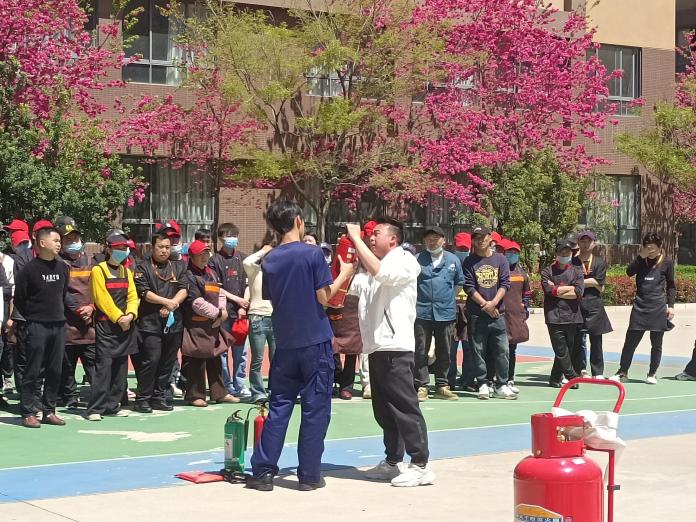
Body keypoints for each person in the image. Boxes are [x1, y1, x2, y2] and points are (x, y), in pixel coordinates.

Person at [247, 200, 354, 492]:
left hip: (285, 341)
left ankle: (263, 472)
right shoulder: (313, 254)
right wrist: (344, 273)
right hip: (315, 341)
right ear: (297, 221)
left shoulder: (270, 260)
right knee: (315, 410)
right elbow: (324, 297)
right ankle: (308, 475)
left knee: (279, 406)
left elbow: (272, 297)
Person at [345, 218, 435, 487]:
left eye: (377, 234)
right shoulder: (375, 268)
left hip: (396, 347)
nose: (371, 238)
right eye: (369, 235)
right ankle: (393, 460)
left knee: (405, 407)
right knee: (384, 410)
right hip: (376, 347)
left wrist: (357, 240)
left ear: (393, 239)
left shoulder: (404, 260)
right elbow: (353, 288)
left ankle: (420, 464)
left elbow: (383, 274)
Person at [14, 227, 70, 428]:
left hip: (58, 325)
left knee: (55, 369)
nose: (59, 244)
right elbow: (20, 298)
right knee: (33, 369)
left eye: (60, 241)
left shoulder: (63, 268)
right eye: (55, 240)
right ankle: (28, 412)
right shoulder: (29, 270)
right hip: (36, 325)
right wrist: (33, 317)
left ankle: (49, 410)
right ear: (42, 243)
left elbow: (63, 294)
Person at [86, 230, 139, 421]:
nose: (122, 251)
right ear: (108, 249)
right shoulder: (98, 270)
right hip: (107, 326)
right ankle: (95, 409)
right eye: (118, 248)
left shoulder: (126, 271)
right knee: (104, 368)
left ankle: (112, 405)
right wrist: (119, 318)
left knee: (120, 369)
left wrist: (130, 315)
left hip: (125, 326)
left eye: (125, 248)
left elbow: (133, 296)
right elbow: (101, 299)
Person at [133, 231, 188, 413]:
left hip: (173, 323)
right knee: (152, 360)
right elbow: (144, 292)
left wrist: (173, 304)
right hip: (150, 323)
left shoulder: (179, 266)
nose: (164, 250)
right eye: (160, 247)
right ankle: (143, 398)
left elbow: (184, 289)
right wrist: (166, 302)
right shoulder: (142, 267)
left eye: (167, 247)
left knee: (168, 361)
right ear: (152, 247)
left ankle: (159, 396)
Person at [611, 233, 675, 385]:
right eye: (647, 248)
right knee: (630, 342)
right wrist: (641, 256)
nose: (650, 251)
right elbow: (629, 272)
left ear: (659, 247)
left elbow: (671, 286)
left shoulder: (667, 262)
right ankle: (622, 371)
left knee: (656, 343)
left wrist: (671, 306)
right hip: (640, 306)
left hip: (658, 307)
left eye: (653, 248)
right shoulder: (641, 260)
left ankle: (652, 373)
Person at [181, 240, 239, 407]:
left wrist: (222, 311)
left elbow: (220, 293)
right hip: (196, 326)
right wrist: (218, 314)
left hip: (213, 325)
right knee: (196, 361)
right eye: (201, 254)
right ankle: (195, 395)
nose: (204, 257)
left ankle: (220, 393)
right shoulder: (189, 276)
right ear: (192, 257)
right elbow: (196, 303)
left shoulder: (211, 273)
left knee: (215, 360)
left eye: (206, 254)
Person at [462, 226, 515, 400]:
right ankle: (483, 383)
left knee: (502, 350)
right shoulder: (469, 261)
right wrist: (485, 305)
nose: (480, 241)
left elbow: (505, 283)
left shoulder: (500, 259)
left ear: (490, 238)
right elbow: (469, 287)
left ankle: (501, 384)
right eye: (476, 238)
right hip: (477, 314)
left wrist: (493, 303)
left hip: (498, 314)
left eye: (483, 237)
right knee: (478, 351)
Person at [414, 225, 463, 401]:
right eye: (429, 238)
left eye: (435, 238)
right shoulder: (417, 259)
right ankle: (422, 385)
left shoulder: (453, 260)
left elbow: (459, 282)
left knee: (445, 350)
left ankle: (442, 385)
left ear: (443, 240)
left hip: (445, 312)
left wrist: (448, 298)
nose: (432, 241)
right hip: (422, 312)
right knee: (421, 350)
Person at [55, 217, 96, 409]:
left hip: (89, 326)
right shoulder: (57, 263)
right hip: (67, 325)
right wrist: (79, 310)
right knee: (67, 367)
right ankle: (70, 398)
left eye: (75, 238)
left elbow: (98, 289)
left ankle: (97, 400)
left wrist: (91, 307)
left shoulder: (91, 261)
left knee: (93, 366)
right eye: (68, 240)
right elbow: (62, 292)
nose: (73, 242)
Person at [209, 223, 249, 399]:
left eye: (234, 235)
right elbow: (216, 287)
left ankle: (240, 385)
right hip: (224, 312)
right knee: (222, 351)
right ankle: (226, 385)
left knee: (241, 352)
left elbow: (248, 284)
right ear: (220, 238)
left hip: (240, 314)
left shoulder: (243, 258)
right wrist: (236, 300)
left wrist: (243, 305)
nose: (232, 239)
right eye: (228, 236)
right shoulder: (214, 260)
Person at [541, 239, 584, 388]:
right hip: (554, 317)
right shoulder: (547, 271)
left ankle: (554, 378)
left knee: (568, 350)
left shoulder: (577, 271)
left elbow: (578, 293)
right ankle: (572, 377)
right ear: (556, 253)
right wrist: (569, 288)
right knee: (561, 350)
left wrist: (558, 289)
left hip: (572, 316)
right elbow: (548, 290)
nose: (565, 255)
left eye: (568, 252)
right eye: (562, 252)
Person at [575, 231, 612, 379]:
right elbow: (571, 281)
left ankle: (597, 372)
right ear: (578, 243)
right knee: (577, 340)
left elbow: (599, 284)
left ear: (594, 243)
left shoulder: (600, 262)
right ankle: (580, 369)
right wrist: (591, 282)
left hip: (594, 304)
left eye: (588, 241)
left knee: (596, 340)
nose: (585, 244)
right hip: (576, 304)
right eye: (582, 241)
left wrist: (580, 282)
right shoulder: (572, 262)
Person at [243, 243, 276, 404]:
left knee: (277, 358)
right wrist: (263, 250)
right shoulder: (255, 270)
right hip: (257, 316)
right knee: (257, 358)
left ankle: (275, 390)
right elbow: (247, 261)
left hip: (276, 317)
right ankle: (257, 393)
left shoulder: (278, 273)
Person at [500, 239, 530, 394]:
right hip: (499, 315)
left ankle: (509, 378)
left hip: (515, 318)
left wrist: (525, 307)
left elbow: (527, 293)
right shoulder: (499, 270)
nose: (512, 255)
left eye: (515, 252)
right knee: (498, 349)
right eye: (509, 252)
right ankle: (495, 379)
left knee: (511, 349)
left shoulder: (522, 273)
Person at [449, 232, 471, 390]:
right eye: (460, 249)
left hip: (469, 310)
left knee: (469, 348)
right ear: (454, 247)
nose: (462, 252)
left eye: (465, 249)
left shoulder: (473, 264)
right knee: (450, 349)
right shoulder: (449, 264)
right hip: (451, 310)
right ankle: (449, 380)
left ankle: (468, 380)